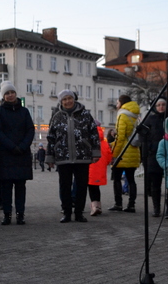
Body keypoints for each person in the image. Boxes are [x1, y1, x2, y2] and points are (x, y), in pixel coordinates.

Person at [46, 89, 101, 223]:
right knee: (65, 186)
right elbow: (51, 138)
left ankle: (79, 213)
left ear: (74, 99)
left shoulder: (85, 115)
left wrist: (95, 152)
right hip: (62, 157)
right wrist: (50, 157)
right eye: (64, 99)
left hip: (82, 156)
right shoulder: (56, 116)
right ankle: (66, 213)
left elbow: (94, 134)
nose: (67, 101)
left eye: (69, 98)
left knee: (81, 186)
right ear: (61, 101)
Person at [0, 82, 34, 225]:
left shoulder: (24, 112)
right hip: (6, 154)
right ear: (3, 96)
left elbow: (30, 130)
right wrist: (11, 146)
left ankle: (20, 214)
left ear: (16, 94)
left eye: (12, 92)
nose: (10, 95)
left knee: (21, 186)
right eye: (7, 93)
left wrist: (22, 146)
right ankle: (7, 214)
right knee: (6, 187)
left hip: (22, 154)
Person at [142, 97, 168, 217]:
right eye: (158, 105)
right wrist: (149, 149)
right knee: (155, 185)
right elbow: (143, 137)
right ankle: (156, 208)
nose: (161, 107)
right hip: (154, 156)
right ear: (155, 107)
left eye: (163, 104)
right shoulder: (149, 119)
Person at [109, 94, 140, 212]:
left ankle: (118, 204)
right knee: (131, 179)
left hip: (122, 153)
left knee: (116, 178)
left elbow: (120, 138)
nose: (116, 105)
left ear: (122, 103)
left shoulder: (122, 115)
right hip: (134, 150)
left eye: (117, 103)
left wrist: (114, 154)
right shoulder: (134, 115)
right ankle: (131, 205)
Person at [88, 120, 113, 216]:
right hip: (101, 168)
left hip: (90, 167)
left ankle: (94, 207)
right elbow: (109, 156)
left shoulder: (89, 140)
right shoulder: (105, 142)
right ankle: (98, 206)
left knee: (91, 187)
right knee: (96, 187)